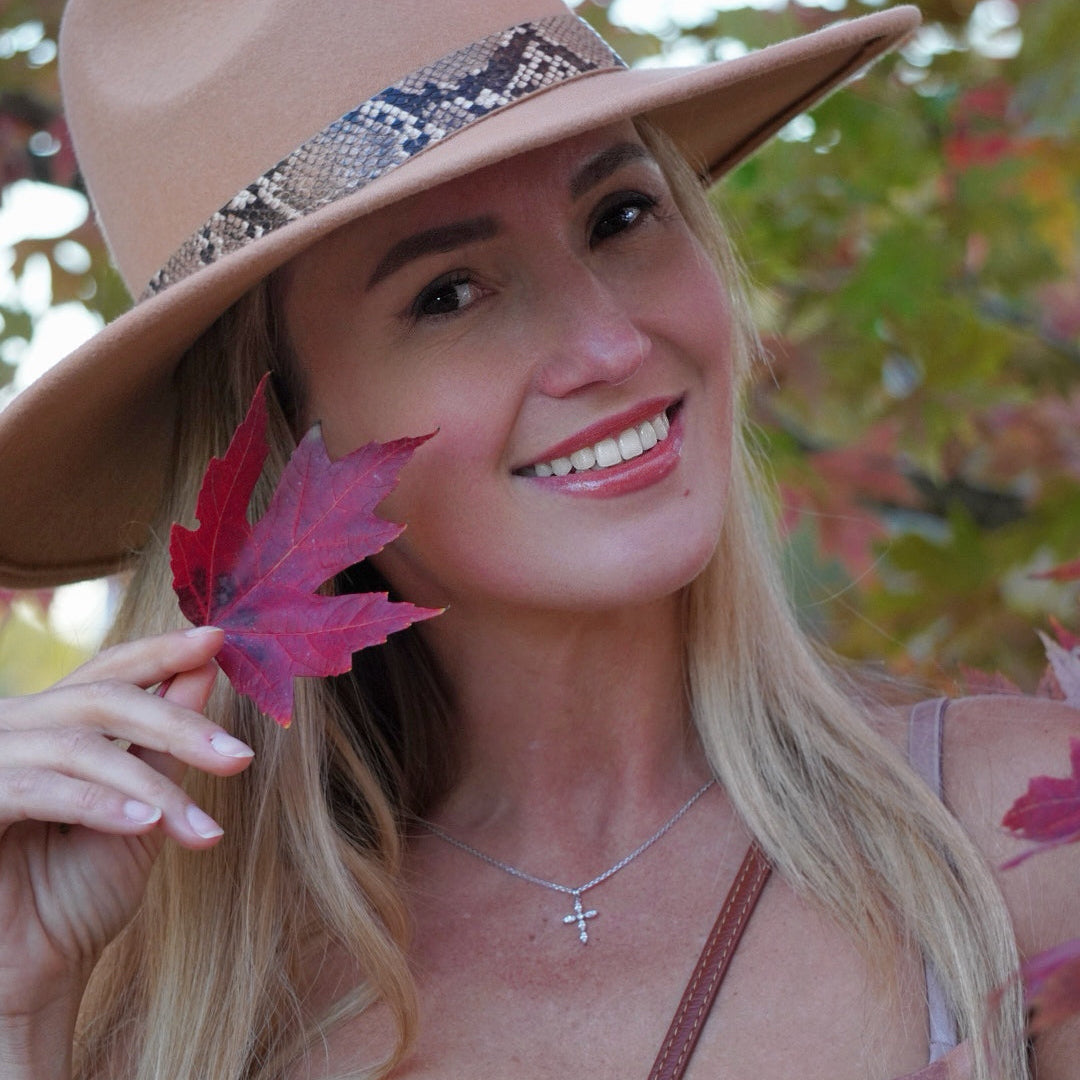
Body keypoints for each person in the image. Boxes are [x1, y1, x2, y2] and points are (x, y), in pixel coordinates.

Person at [0, 2, 1077, 1078]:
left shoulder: (1021, 853)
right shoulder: (169, 1017)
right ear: (282, 439)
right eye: (449, 293)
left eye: (619, 216)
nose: (610, 343)